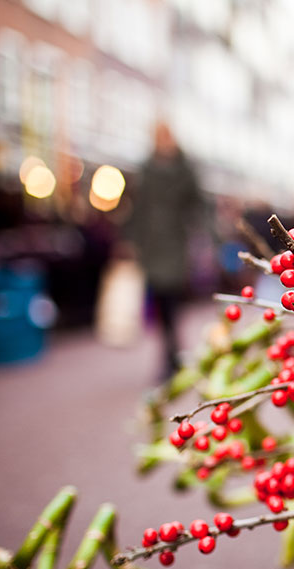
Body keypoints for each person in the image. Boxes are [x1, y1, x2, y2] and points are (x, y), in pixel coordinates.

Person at [125, 122, 203, 378]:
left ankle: (172, 355)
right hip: (151, 246)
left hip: (175, 244)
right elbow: (137, 208)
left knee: (172, 302)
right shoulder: (146, 168)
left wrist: (201, 235)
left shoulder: (185, 167)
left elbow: (198, 203)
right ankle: (170, 355)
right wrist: (129, 240)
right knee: (159, 303)